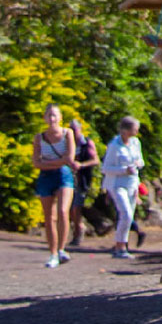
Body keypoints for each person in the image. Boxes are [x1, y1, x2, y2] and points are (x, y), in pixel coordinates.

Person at [33, 104, 78, 267]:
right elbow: (36, 163)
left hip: (63, 176)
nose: (52, 119)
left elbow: (69, 158)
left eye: (54, 115)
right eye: (49, 116)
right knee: (48, 217)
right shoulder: (39, 138)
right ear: (45, 118)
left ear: (60, 118)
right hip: (46, 177)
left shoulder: (68, 134)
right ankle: (52, 253)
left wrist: (49, 163)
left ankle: (61, 248)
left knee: (63, 210)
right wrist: (56, 163)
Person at [101, 116, 145, 259]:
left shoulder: (135, 143)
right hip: (116, 184)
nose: (136, 133)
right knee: (125, 213)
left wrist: (137, 164)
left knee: (128, 216)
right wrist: (123, 170)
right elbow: (106, 168)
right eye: (134, 130)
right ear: (125, 131)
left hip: (132, 183)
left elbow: (141, 161)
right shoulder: (114, 146)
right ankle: (120, 246)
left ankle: (121, 245)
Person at [67, 116, 100, 250]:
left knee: (76, 206)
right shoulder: (67, 142)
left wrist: (81, 165)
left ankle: (78, 232)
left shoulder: (86, 143)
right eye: (71, 129)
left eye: (75, 129)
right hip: (68, 178)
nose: (73, 132)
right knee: (68, 208)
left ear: (80, 129)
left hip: (81, 178)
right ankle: (78, 228)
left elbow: (95, 160)